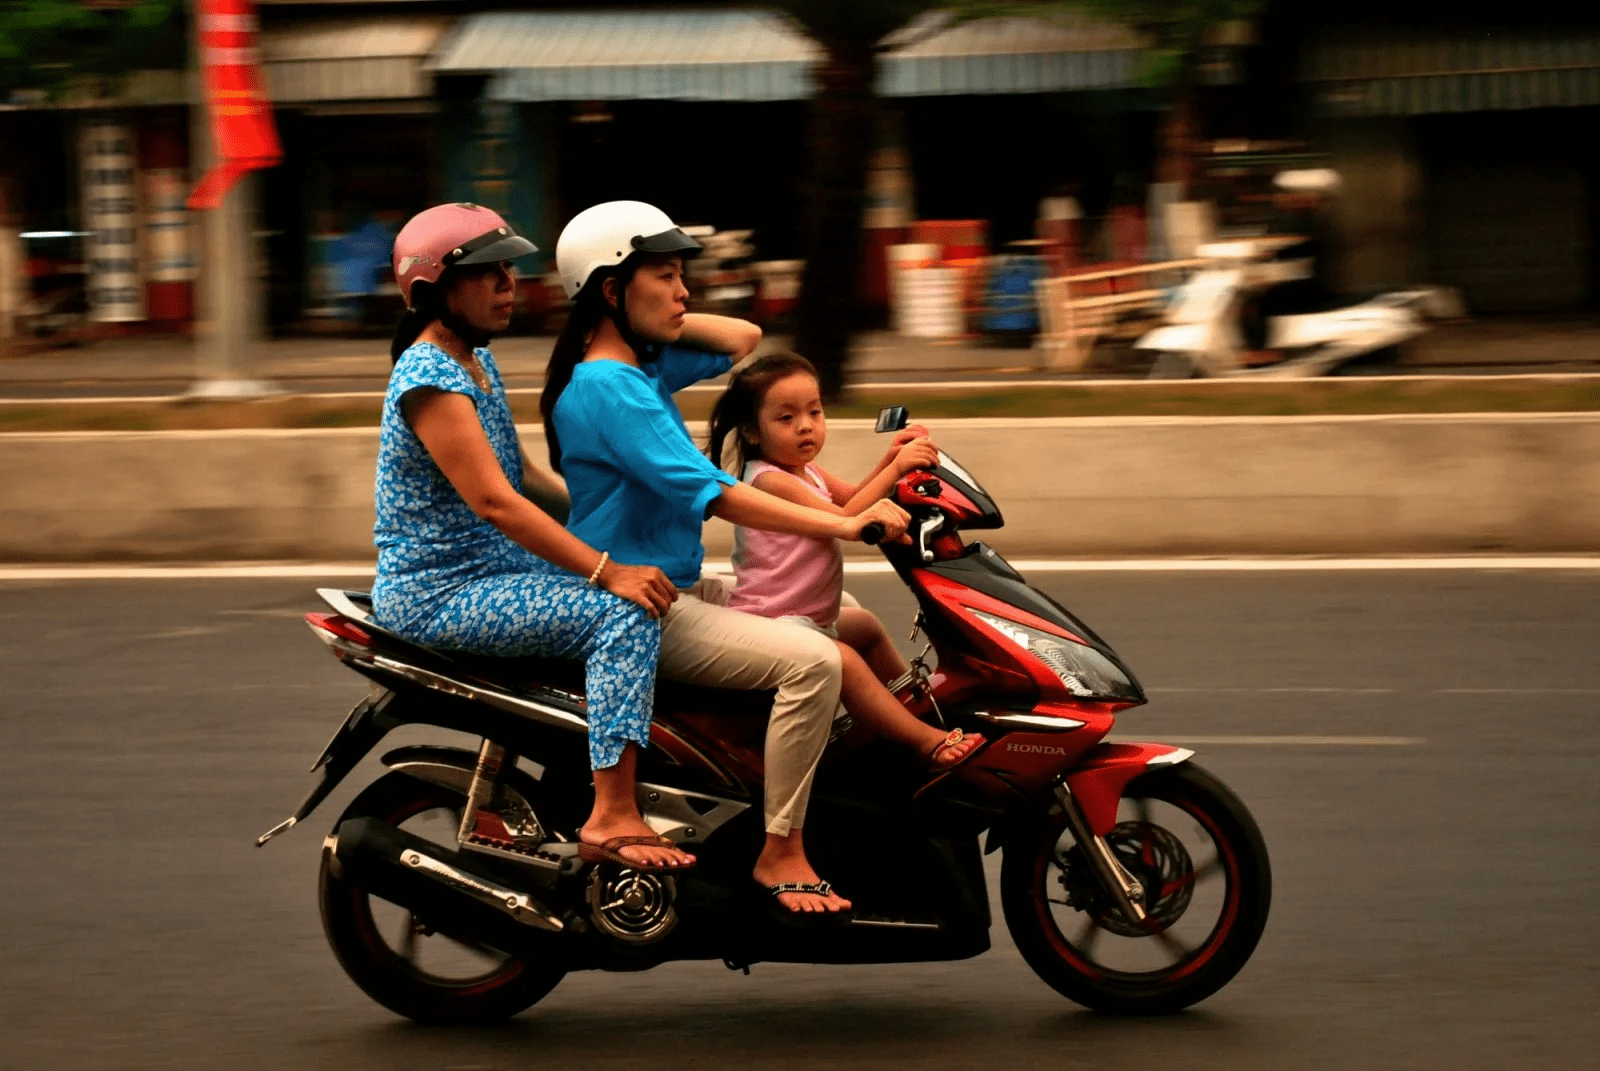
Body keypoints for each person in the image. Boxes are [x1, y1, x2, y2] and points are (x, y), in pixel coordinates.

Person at [542, 200, 910, 916]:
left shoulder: (638, 368)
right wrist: (844, 523)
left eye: (685, 277)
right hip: (640, 601)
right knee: (813, 661)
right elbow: (719, 496)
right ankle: (781, 849)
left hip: (669, 583)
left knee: (850, 617)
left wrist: (650, 311)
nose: (686, 295)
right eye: (668, 277)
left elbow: (745, 336)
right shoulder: (611, 387)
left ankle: (889, 742)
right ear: (613, 291)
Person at [372, 202, 694, 873]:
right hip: (443, 591)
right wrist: (608, 569)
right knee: (621, 614)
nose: (509, 285)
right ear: (434, 290)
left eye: (511, 271)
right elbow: (496, 502)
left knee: (642, 576)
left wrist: (612, 515)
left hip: (489, 569)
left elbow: (520, 474)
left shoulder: (472, 362)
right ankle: (611, 813)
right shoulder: (429, 376)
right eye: (489, 274)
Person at [706, 351, 985, 769]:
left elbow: (855, 496)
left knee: (867, 627)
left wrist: (891, 460)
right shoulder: (768, 480)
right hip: (777, 621)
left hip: (809, 616)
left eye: (814, 412)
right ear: (751, 432)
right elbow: (844, 519)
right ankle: (924, 738)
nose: (806, 426)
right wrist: (895, 471)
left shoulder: (807, 471)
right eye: (786, 418)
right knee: (847, 661)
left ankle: (914, 707)